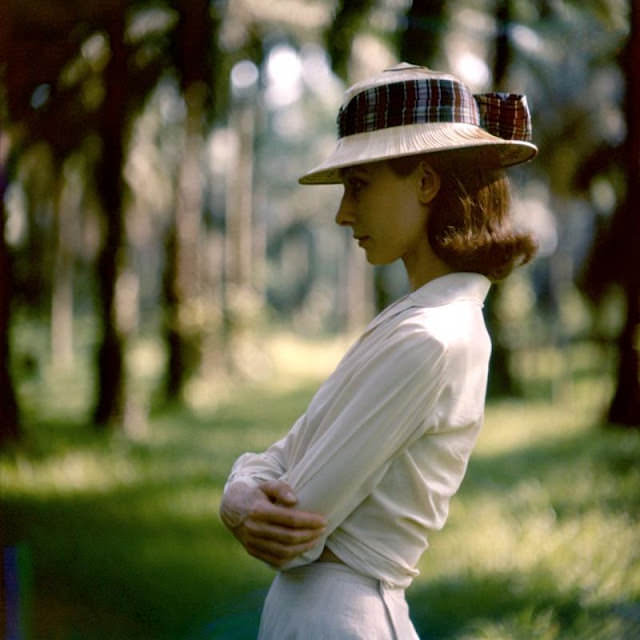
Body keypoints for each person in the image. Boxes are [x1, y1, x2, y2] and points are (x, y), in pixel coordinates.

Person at [219, 62, 538, 639]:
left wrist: (243, 495)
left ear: (424, 182)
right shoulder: (415, 321)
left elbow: (292, 529)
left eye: (359, 186)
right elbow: (281, 456)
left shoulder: (430, 337)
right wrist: (240, 488)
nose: (344, 213)